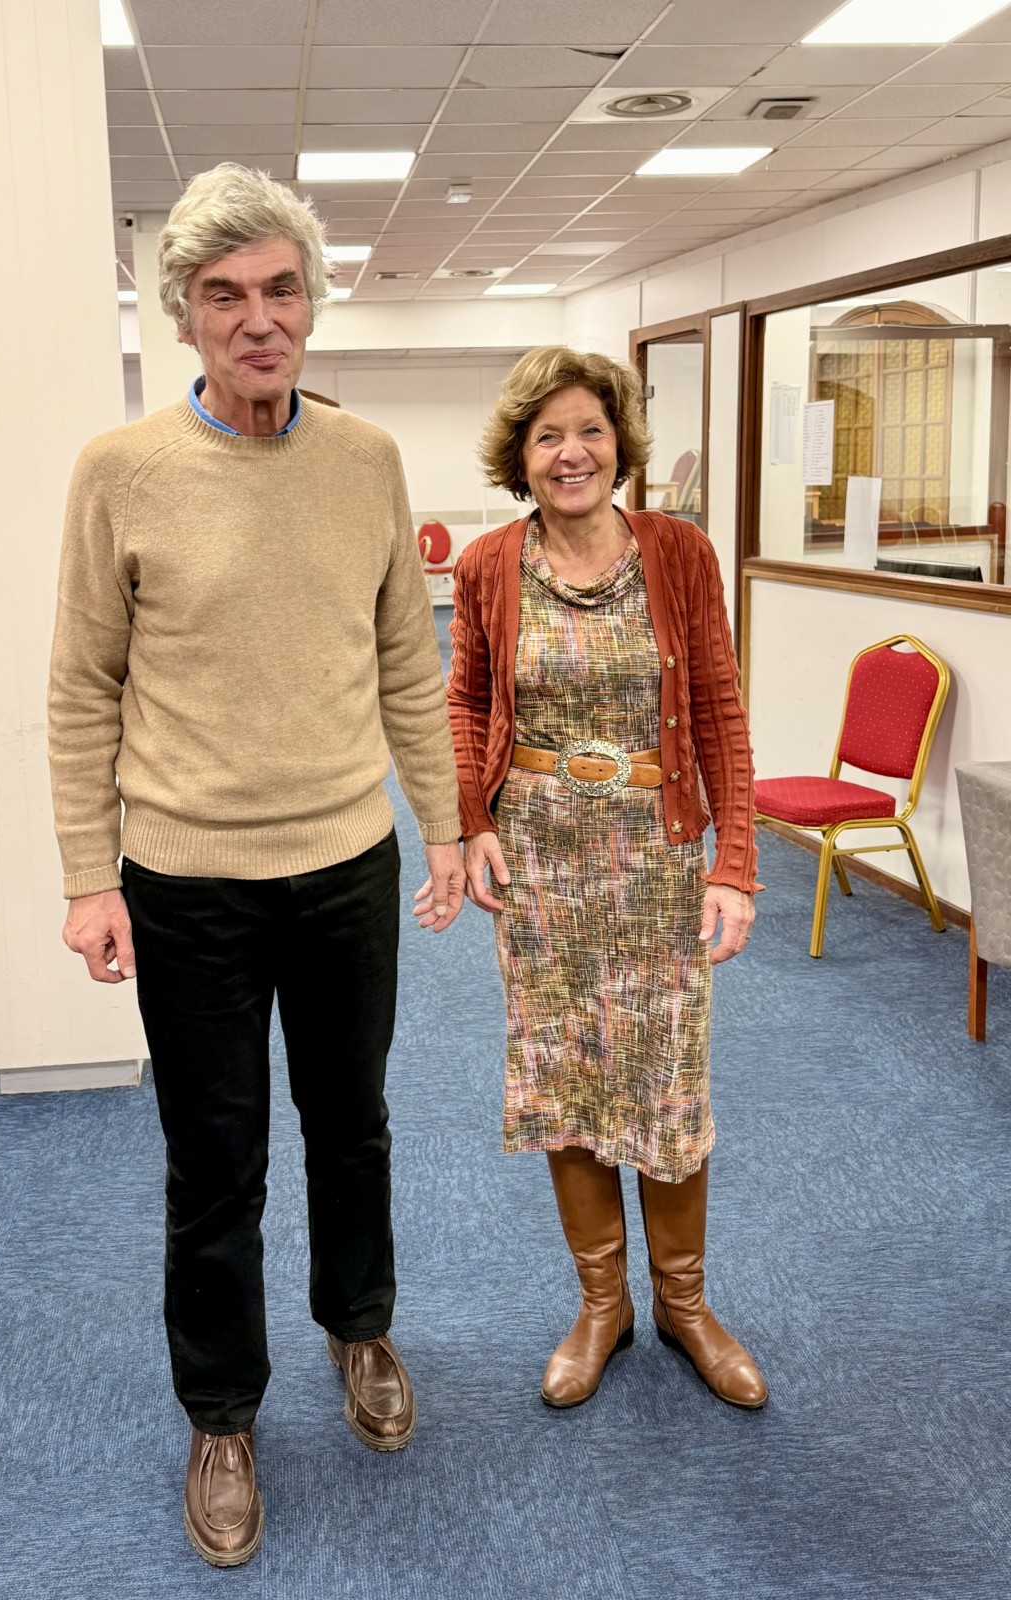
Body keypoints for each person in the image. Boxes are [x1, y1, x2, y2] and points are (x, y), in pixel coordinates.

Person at [47, 164, 464, 1569]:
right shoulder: (120, 472)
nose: (258, 318)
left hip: (346, 861)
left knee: (353, 1127)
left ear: (313, 304)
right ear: (183, 316)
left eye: (282, 289)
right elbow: (81, 686)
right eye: (224, 296)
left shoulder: (367, 461)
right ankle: (222, 1414)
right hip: (187, 883)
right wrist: (88, 875)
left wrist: (445, 825)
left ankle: (361, 1330)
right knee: (214, 1163)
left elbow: (407, 662)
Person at [436, 346, 767, 1415]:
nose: (571, 452)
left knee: (666, 1076)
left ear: (619, 445)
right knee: (566, 1075)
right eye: (548, 436)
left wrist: (734, 863)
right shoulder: (488, 565)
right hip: (539, 860)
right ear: (520, 456)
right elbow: (465, 703)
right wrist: (470, 820)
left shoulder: (679, 553)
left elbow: (717, 708)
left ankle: (686, 1304)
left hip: (657, 853)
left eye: (590, 430)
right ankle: (601, 1304)